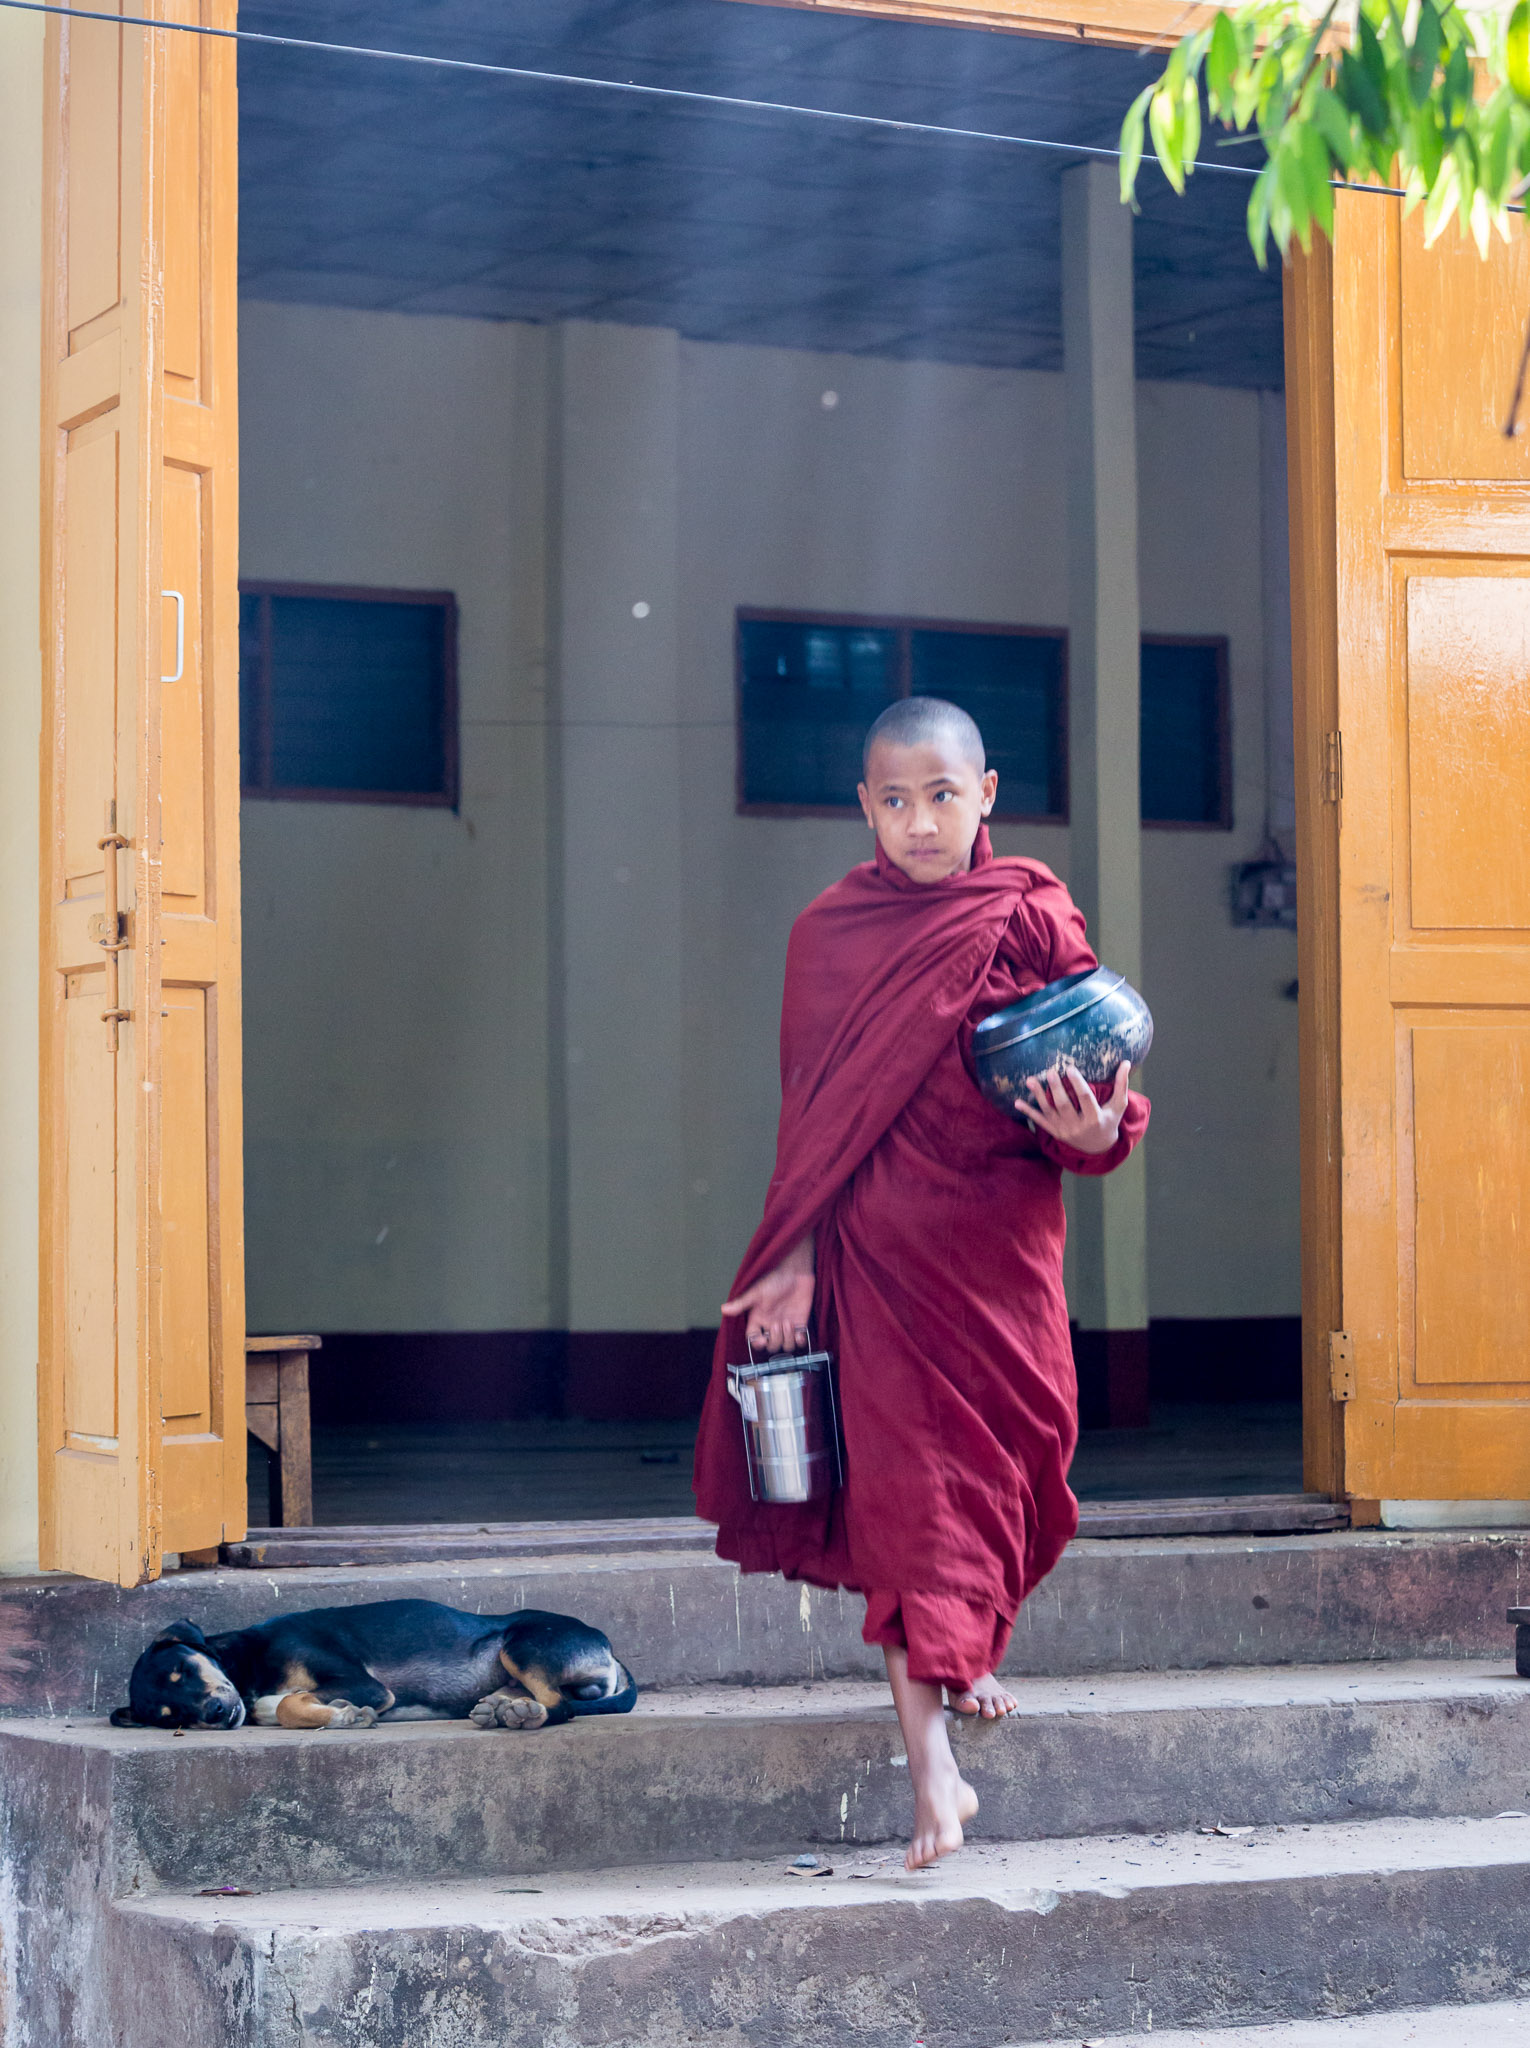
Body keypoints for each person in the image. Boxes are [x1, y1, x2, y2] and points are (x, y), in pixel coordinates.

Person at [693, 694, 1149, 1870]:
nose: (919, 821)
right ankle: (933, 1771)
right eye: (894, 800)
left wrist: (1096, 1133)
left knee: (1005, 1473)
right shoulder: (830, 934)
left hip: (999, 1260)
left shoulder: (1031, 914)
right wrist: (790, 1253)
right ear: (864, 807)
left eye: (942, 795)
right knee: (911, 1508)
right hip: (880, 1261)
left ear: (987, 793)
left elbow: (1104, 1084)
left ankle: (963, 1644)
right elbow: (812, 1120)